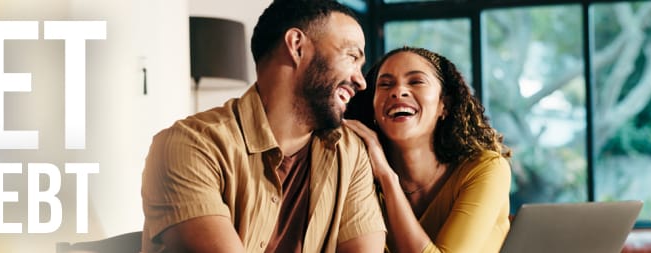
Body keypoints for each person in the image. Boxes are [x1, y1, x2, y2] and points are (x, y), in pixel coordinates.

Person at [141, 0, 387, 252]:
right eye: (352, 56)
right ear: (297, 46)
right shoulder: (188, 147)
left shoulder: (350, 152)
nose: (361, 80)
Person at [343, 47, 512, 253]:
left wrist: (387, 178)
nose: (398, 91)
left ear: (444, 105)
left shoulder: (487, 168)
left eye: (416, 81)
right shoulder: (360, 175)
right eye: (385, 85)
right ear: (373, 108)